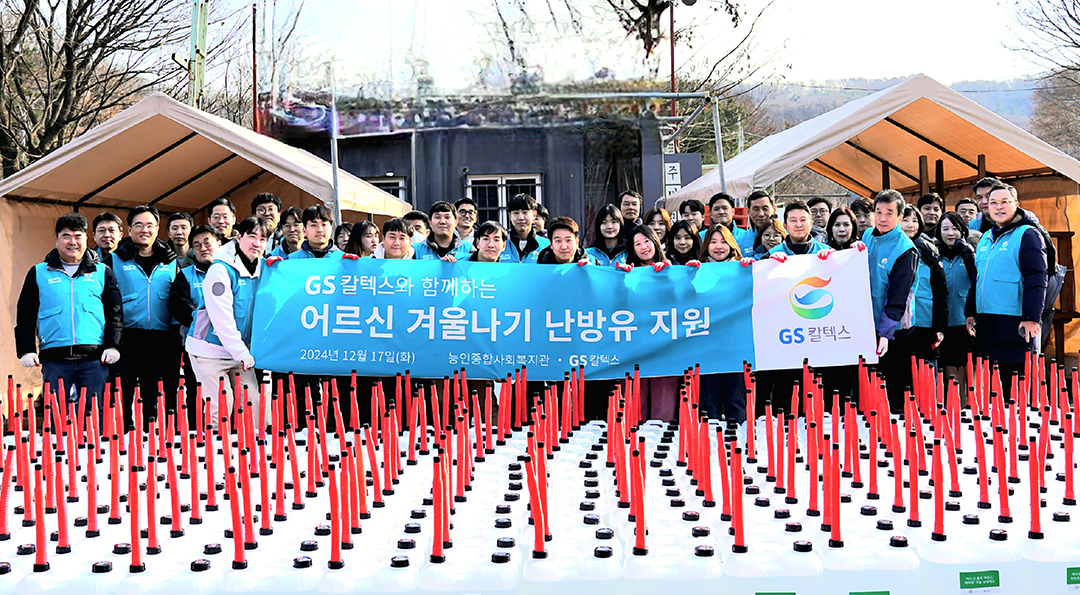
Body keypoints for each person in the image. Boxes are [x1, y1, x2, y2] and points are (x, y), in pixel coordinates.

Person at [15, 213, 122, 407]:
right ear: (56, 240)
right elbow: (26, 314)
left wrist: (113, 345)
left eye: (78, 236)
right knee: (55, 416)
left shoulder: (102, 272)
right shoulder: (38, 272)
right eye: (66, 236)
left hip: (94, 359)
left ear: (86, 239)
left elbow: (114, 312)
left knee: (92, 418)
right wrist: (26, 349)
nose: (73, 242)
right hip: (54, 359)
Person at [186, 217, 272, 427]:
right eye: (252, 236)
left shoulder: (263, 267)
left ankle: (250, 455)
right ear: (239, 237)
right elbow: (221, 317)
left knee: (253, 404)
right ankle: (214, 455)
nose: (257, 243)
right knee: (220, 405)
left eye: (263, 239)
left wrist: (277, 270)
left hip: (241, 352)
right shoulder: (220, 270)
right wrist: (241, 352)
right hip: (209, 350)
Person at [966, 181, 1048, 398]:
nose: (998, 207)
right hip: (987, 320)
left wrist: (1032, 317)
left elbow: (1037, 278)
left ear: (1016, 204)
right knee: (994, 385)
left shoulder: (1028, 234)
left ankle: (1022, 427)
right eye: (993, 203)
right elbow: (978, 277)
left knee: (1017, 383)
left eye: (1004, 202)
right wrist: (970, 311)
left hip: (1014, 320)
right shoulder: (985, 237)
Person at [111, 205, 180, 429]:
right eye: (138, 225)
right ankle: (125, 433)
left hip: (162, 338)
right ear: (129, 230)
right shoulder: (114, 260)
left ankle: (155, 435)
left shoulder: (170, 261)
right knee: (125, 389)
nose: (144, 230)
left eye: (150, 225)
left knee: (156, 390)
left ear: (158, 229)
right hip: (128, 336)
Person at [862, 190, 918, 412]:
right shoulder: (867, 236)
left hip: (895, 328)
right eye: (878, 212)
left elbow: (898, 297)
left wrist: (886, 333)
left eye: (889, 213)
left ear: (900, 216)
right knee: (873, 385)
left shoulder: (905, 250)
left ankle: (902, 429)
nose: (882, 218)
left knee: (897, 385)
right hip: (869, 323)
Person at [620, 225, 680, 421]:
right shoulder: (625, 273)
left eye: (646, 241)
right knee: (636, 399)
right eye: (637, 244)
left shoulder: (671, 269)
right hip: (634, 344)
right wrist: (621, 280)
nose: (643, 247)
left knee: (664, 401)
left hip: (665, 345)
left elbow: (682, 302)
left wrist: (671, 276)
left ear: (655, 241)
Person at [169, 225, 223, 421]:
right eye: (197, 245)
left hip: (231, 346)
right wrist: (208, 319)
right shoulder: (185, 275)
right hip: (198, 347)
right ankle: (197, 433)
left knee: (230, 392)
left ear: (219, 243)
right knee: (197, 392)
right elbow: (180, 305)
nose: (203, 248)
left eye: (207, 242)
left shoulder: (233, 272)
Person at [899, 205, 949, 371]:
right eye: (905, 220)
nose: (910, 225)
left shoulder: (928, 250)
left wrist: (940, 327)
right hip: (896, 324)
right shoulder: (888, 248)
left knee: (926, 373)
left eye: (914, 220)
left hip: (924, 322)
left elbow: (941, 291)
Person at [935, 212, 976, 400]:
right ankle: (957, 407)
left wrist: (968, 253)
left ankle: (974, 407)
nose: (950, 233)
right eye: (945, 229)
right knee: (952, 368)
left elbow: (977, 279)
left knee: (972, 368)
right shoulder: (935, 256)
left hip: (968, 321)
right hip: (945, 322)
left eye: (955, 228)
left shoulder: (971, 254)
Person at [278, 205, 356, 261]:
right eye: (313, 225)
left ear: (331, 229)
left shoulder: (344, 260)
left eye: (324, 224)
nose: (320, 230)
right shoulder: (290, 261)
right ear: (304, 230)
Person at [500, 193, 550, 263]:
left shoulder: (546, 245)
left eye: (525, 212)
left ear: (534, 215)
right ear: (510, 216)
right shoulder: (500, 243)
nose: (521, 218)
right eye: (516, 213)